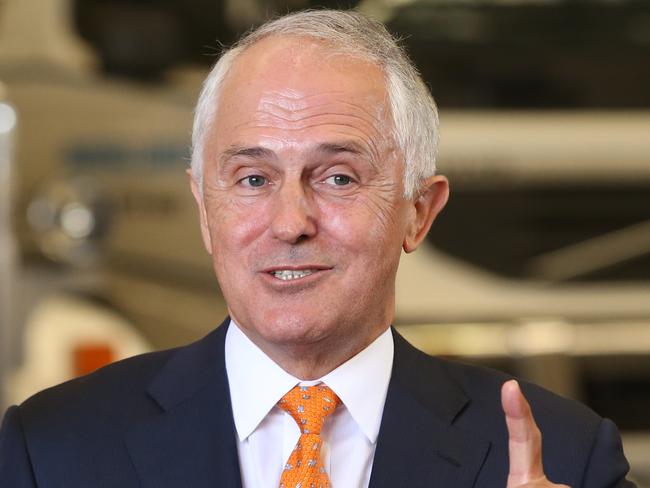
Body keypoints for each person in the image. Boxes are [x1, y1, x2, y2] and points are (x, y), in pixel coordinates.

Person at [0, 9, 634, 488]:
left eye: (337, 178)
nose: (290, 222)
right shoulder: (48, 450)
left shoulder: (567, 455)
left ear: (418, 212)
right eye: (253, 179)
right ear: (204, 209)